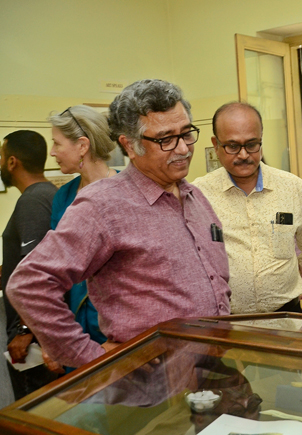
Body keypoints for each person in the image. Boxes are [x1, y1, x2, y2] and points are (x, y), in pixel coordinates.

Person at [7, 79, 231, 369]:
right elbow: (29, 284)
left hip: (215, 372)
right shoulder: (103, 205)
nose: (183, 148)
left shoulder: (195, 195)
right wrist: (95, 359)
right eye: (165, 139)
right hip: (152, 390)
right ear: (129, 145)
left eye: (186, 133)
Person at [192, 102, 302, 323]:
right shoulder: (198, 194)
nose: (244, 154)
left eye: (252, 144)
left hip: (289, 318)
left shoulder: (291, 187)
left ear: (261, 140)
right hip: (227, 324)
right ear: (215, 145)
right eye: (232, 146)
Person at [48, 106, 118, 359]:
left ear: (82, 146)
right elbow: (56, 269)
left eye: (57, 143)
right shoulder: (63, 197)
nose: (52, 152)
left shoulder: (127, 192)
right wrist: (54, 337)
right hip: (75, 332)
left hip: (119, 334)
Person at [1, 130, 60, 399]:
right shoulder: (49, 193)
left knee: (35, 411)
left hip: (32, 337)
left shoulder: (33, 200)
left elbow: (39, 271)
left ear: (13, 162)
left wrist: (25, 330)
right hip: (42, 328)